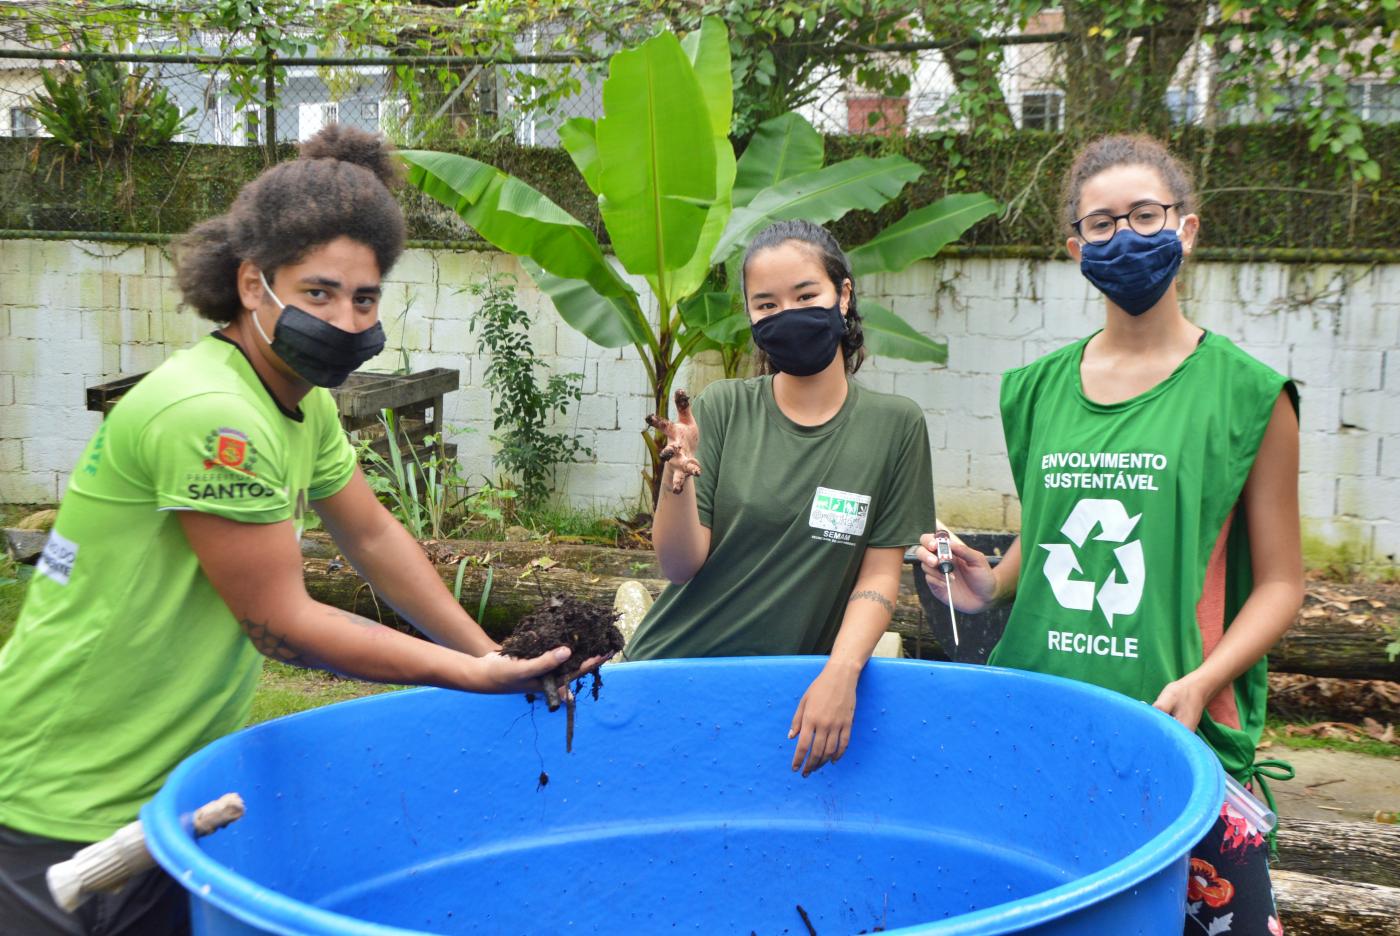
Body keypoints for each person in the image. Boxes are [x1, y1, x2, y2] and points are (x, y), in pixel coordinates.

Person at [0, 126, 594, 936]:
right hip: (61, 786)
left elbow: (374, 538)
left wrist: (485, 651)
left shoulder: (298, 399)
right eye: (317, 293)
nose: (347, 320)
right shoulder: (213, 416)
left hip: (169, 782)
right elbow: (283, 626)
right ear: (253, 285)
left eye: (365, 297)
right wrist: (467, 677)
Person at [917, 134, 1301, 936]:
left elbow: (1280, 585)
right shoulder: (1032, 391)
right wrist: (988, 579)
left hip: (1174, 726)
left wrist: (1203, 682)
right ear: (1074, 246)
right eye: (1101, 223)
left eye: (1145, 215)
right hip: (1043, 718)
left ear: (1186, 229)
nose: (1124, 237)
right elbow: (1054, 534)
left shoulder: (1250, 396)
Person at [626, 220, 936, 778]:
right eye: (765, 304)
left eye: (805, 295)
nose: (786, 313)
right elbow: (678, 565)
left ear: (842, 296)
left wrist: (842, 672)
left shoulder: (896, 426)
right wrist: (677, 481)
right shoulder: (721, 408)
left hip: (793, 695)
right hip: (672, 677)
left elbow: (880, 574)